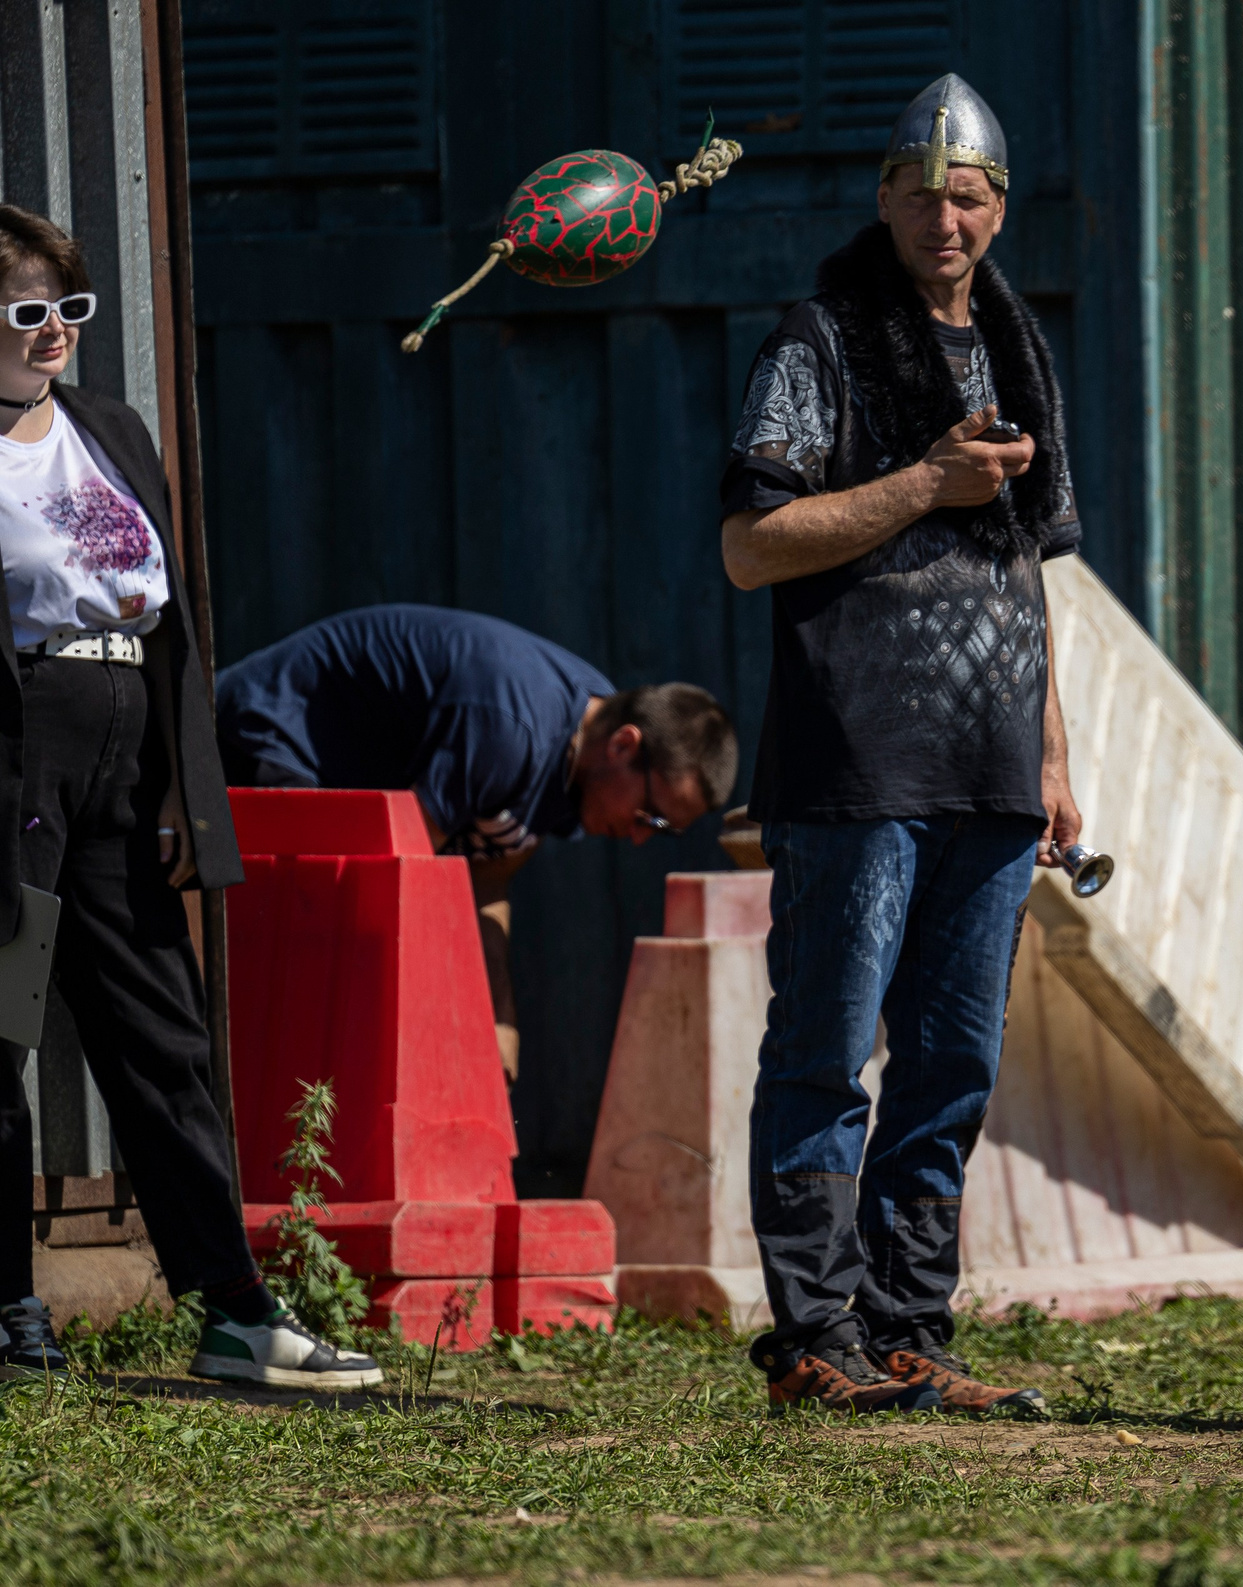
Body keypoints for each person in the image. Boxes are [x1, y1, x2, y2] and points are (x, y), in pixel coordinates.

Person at [719, 74, 1080, 1418]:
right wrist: (925, 477)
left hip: (989, 766)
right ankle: (816, 1334)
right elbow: (750, 546)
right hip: (857, 759)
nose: (946, 214)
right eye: (923, 192)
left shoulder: (1019, 343)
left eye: (970, 193)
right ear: (885, 198)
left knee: (952, 1058)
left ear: (999, 209)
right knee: (825, 1046)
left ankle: (911, 1326)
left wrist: (1051, 756)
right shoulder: (821, 338)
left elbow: (1029, 571)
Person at [0, 204, 379, 1388]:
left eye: (72, 306)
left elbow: (180, 631)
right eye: (27, 311)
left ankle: (234, 1309)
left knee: (163, 1036)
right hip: (20, 760)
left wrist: (183, 786)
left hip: (128, 755)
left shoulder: (111, 431)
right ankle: (11, 1315)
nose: (56, 330)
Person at [213, 605, 736, 1076]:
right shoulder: (513, 732)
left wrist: (500, 1024)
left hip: (345, 787)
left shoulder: (583, 755)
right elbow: (398, 873)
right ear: (625, 746)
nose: (641, 839)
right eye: (652, 817)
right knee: (322, 964)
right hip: (266, 737)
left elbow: (489, 877)